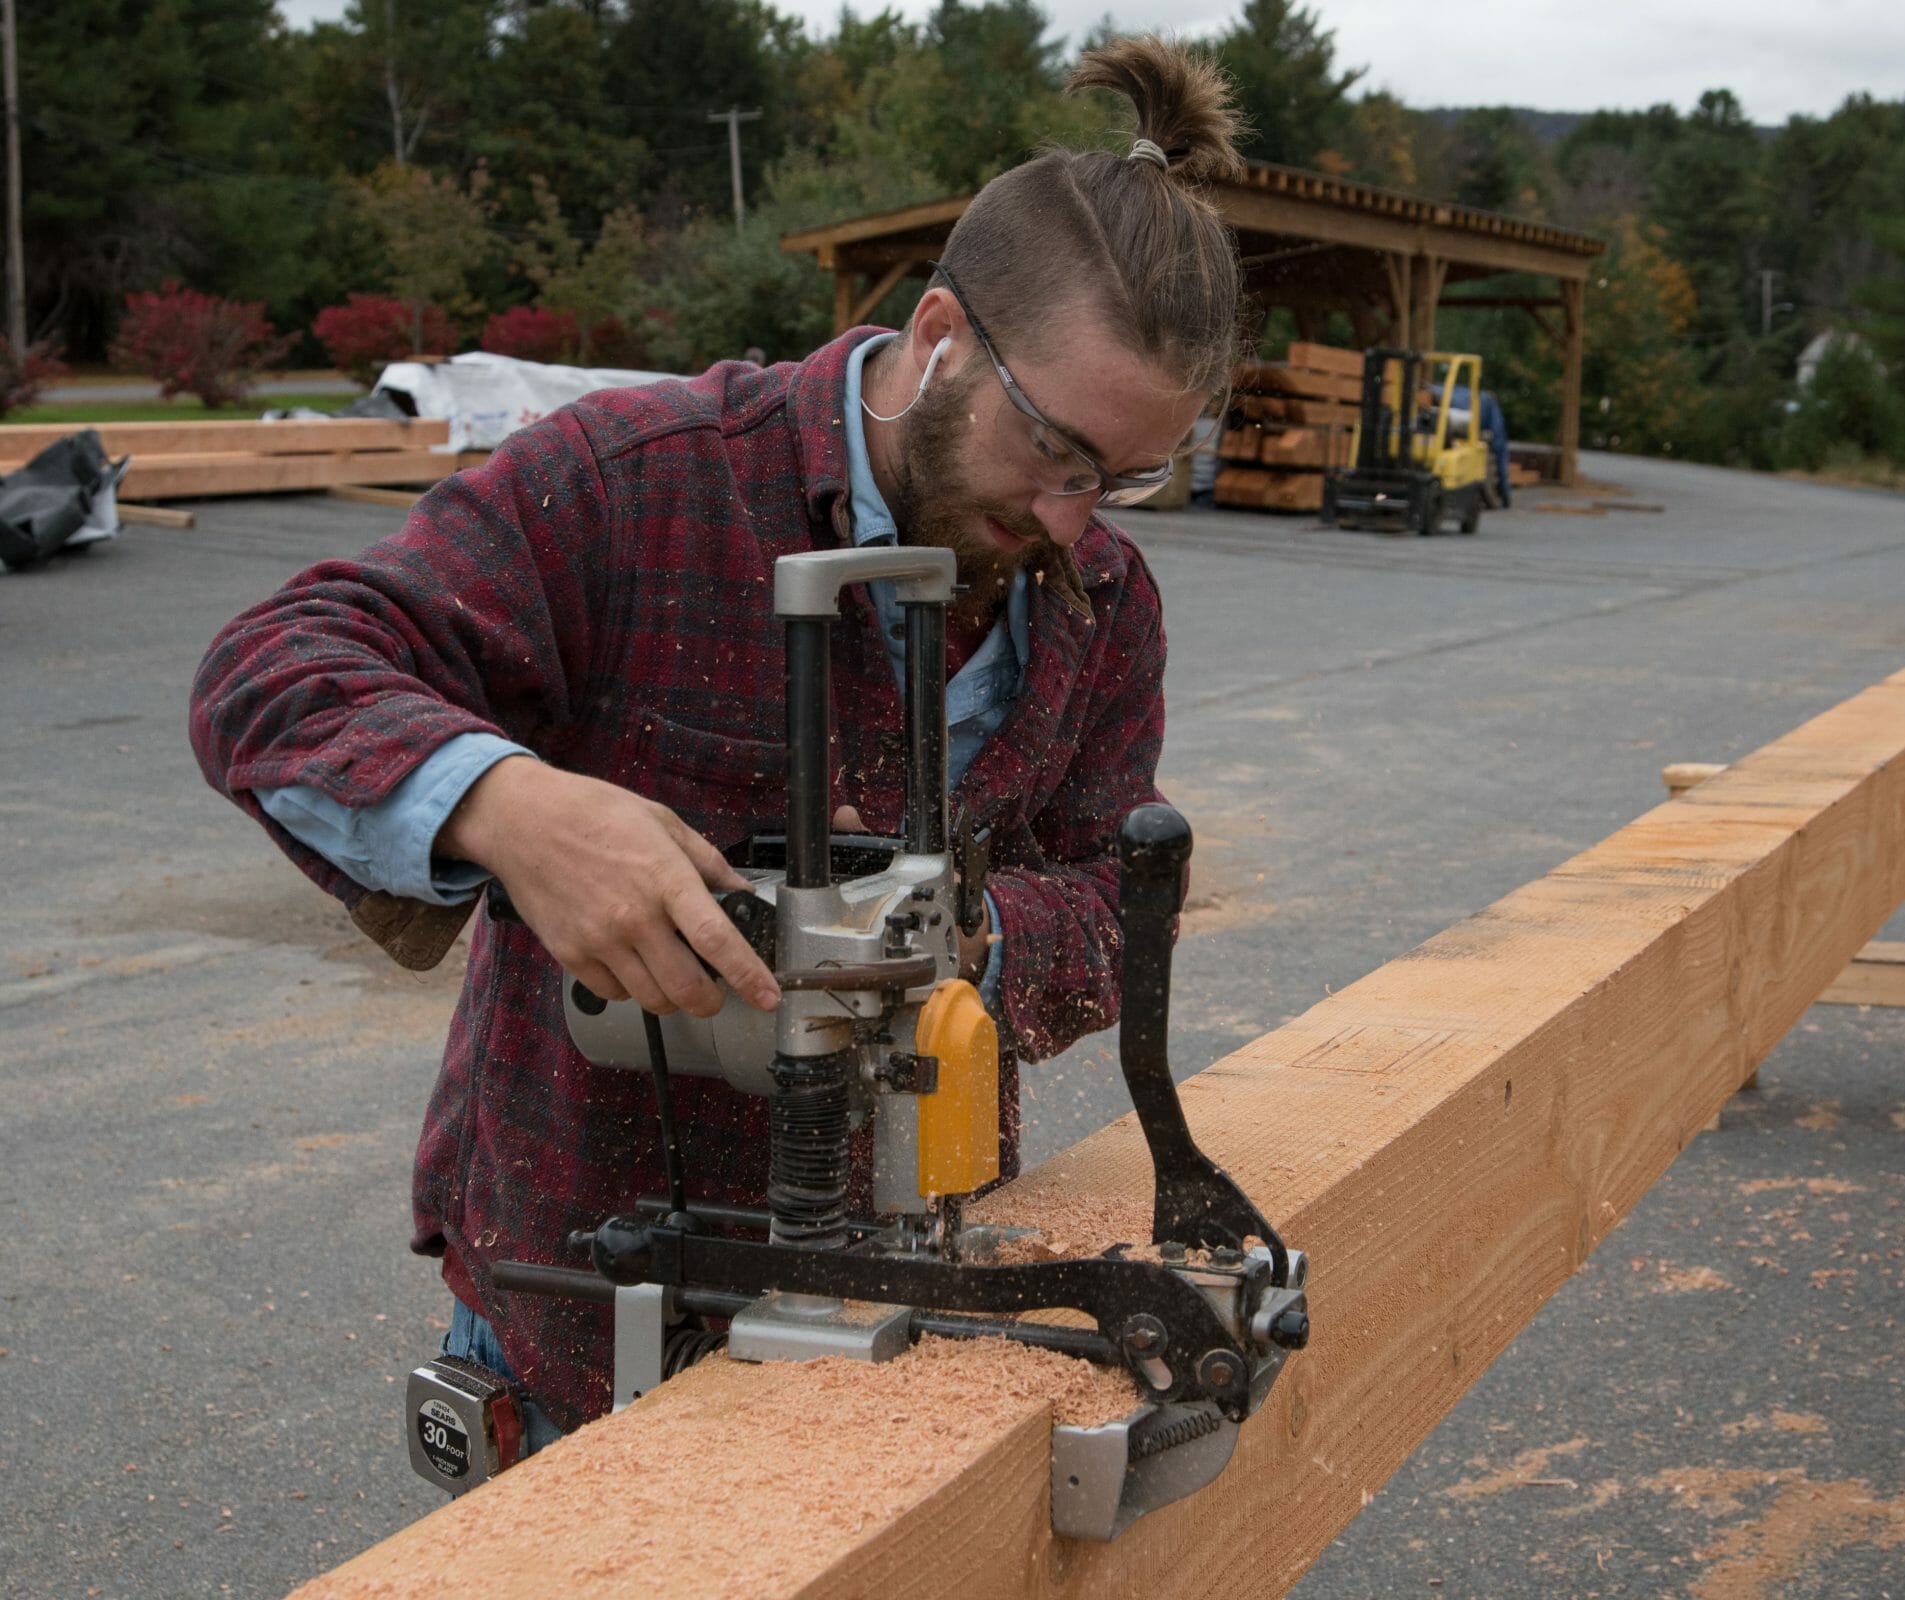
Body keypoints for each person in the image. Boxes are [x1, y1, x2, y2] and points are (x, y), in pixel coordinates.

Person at [187, 35, 1248, 1442]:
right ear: (940, 335)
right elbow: (274, 672)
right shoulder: (642, 484)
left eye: (1123, 475)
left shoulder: (1103, 598)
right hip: (587, 1285)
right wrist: (511, 808)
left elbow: (1117, 901)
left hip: (914, 1298)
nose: (1071, 516)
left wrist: (970, 935)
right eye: (1053, 452)